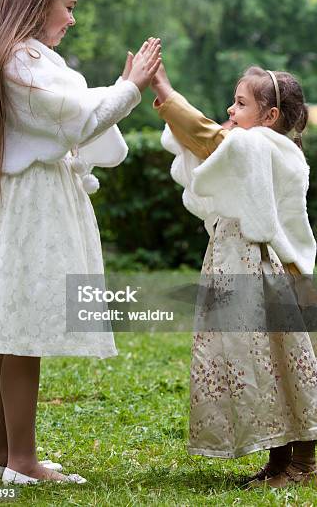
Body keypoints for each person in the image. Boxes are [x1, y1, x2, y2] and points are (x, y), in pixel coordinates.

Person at [0, 0, 161, 485]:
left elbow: (79, 114)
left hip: (19, 204)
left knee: (9, 330)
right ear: (38, 4)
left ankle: (2, 455)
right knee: (23, 331)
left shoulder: (23, 58)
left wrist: (117, 92)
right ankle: (22, 460)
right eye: (66, 7)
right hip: (28, 211)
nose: (71, 18)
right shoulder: (19, 62)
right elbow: (80, 118)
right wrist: (131, 87)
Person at [151, 57, 317, 489]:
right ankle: (279, 462)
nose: (230, 110)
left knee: (279, 363)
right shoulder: (263, 146)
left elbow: (210, 138)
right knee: (262, 364)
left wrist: (166, 94)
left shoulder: (260, 146)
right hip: (240, 263)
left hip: (261, 269)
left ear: (270, 116)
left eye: (240, 104)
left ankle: (302, 463)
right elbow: (214, 142)